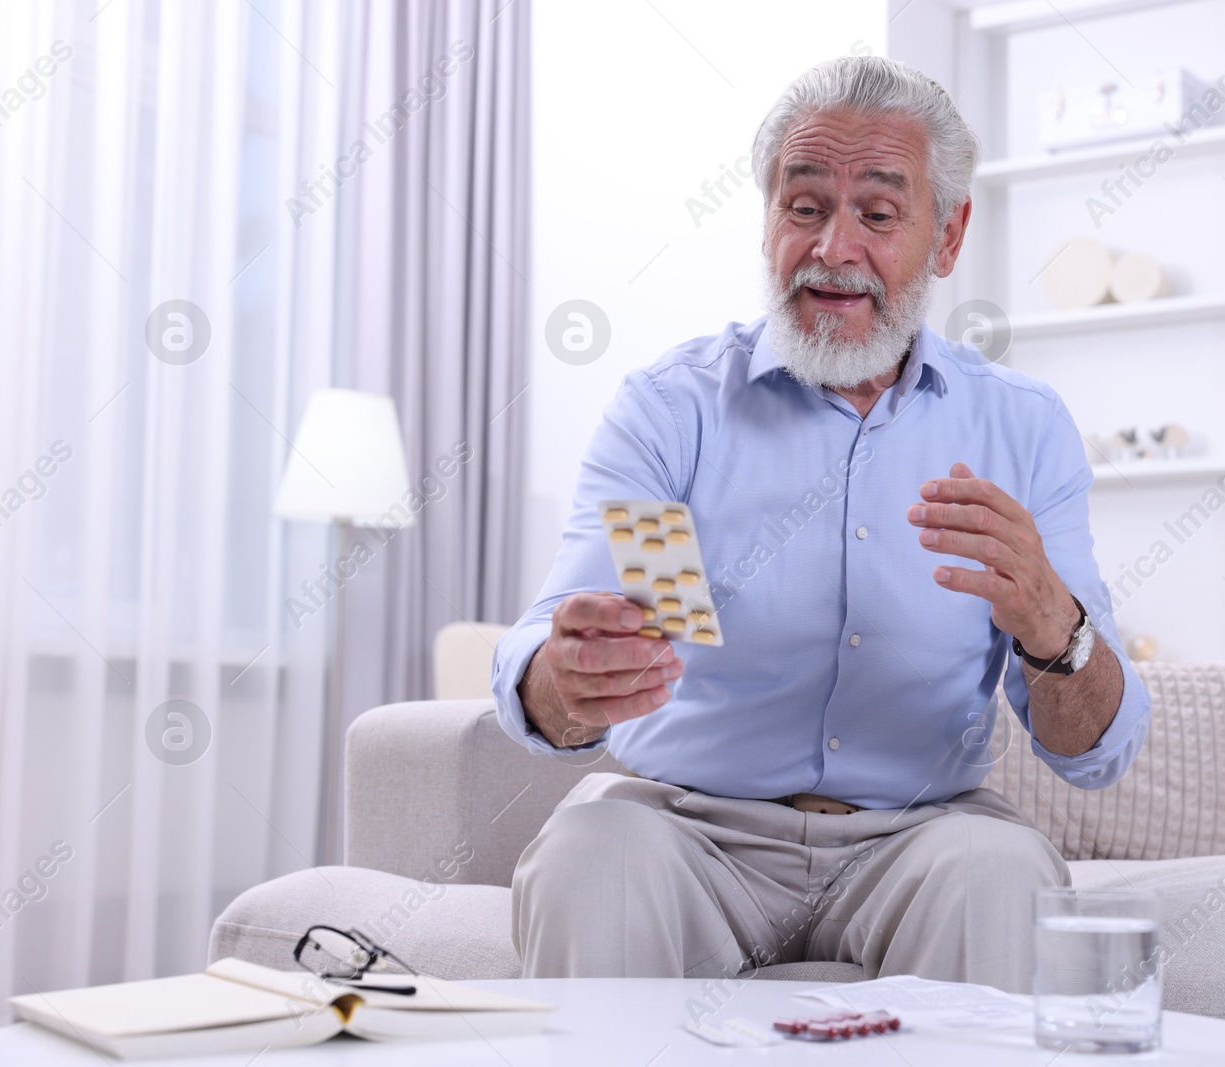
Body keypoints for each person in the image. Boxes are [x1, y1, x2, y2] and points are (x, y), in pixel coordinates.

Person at [492, 55, 1150, 994]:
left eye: (879, 214)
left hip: (917, 837)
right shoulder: (673, 412)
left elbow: (1099, 753)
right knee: (590, 847)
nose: (835, 248)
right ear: (768, 218)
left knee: (1001, 871)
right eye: (804, 207)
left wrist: (1056, 627)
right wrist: (566, 676)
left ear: (949, 233)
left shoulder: (1021, 426)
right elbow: (549, 654)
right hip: (687, 827)